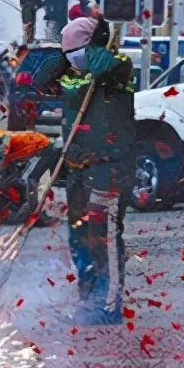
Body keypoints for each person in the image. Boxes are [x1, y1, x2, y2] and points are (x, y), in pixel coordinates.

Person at [54, 16, 136, 325]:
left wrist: (103, 57)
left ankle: (108, 304)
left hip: (109, 168)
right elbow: (41, 81)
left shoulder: (119, 66)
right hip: (78, 168)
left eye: (78, 51)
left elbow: (114, 71)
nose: (73, 59)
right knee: (80, 237)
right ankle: (87, 299)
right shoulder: (72, 74)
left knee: (105, 238)